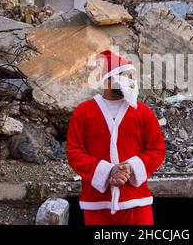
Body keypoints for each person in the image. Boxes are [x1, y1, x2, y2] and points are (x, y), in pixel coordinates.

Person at [67, 50, 165, 225]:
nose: (131, 80)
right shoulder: (83, 112)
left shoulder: (143, 112)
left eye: (132, 76)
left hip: (137, 203)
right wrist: (107, 171)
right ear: (109, 79)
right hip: (96, 206)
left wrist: (130, 168)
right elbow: (75, 153)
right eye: (125, 75)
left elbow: (156, 149)